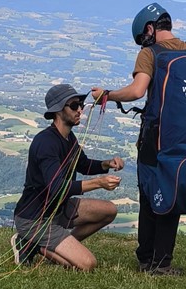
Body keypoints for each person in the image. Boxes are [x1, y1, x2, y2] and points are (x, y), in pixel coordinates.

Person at [91, 3, 186, 276]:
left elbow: (138, 91)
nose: (142, 43)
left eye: (142, 38)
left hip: (155, 139)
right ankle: (160, 261)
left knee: (150, 194)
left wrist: (108, 94)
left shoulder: (149, 54)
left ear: (149, 29)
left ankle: (149, 260)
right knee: (172, 192)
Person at [12, 82, 124, 271]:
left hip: (58, 210)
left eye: (80, 104)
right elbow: (56, 187)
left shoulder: (68, 138)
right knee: (87, 265)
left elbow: (84, 164)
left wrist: (107, 164)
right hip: (36, 219)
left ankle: (59, 244)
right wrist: (99, 183)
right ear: (58, 111)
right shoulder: (46, 143)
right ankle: (29, 243)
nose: (80, 110)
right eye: (74, 106)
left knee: (109, 210)